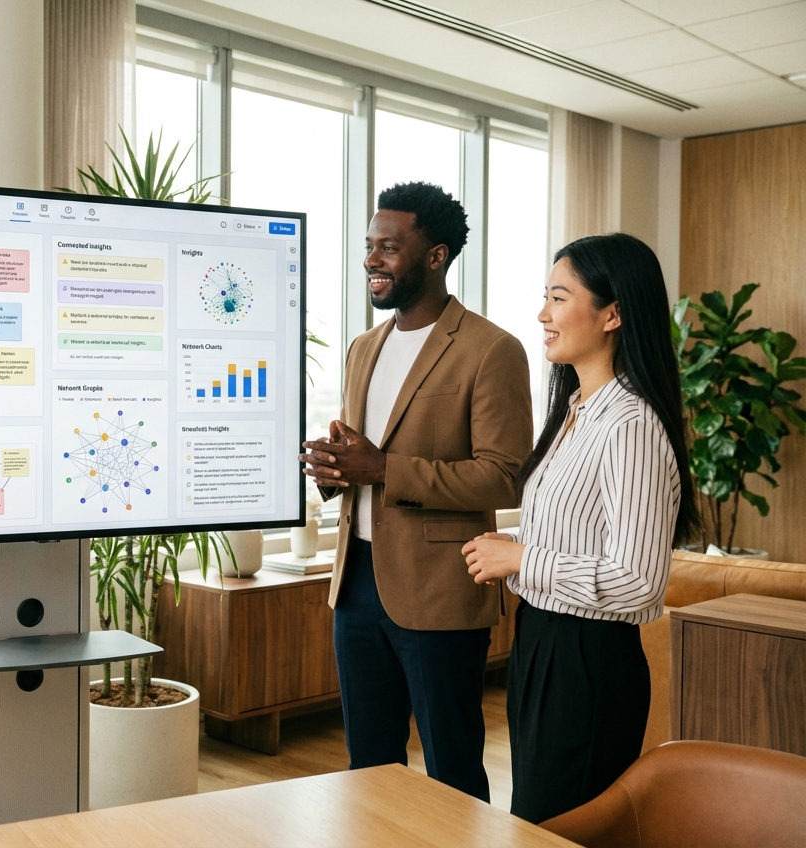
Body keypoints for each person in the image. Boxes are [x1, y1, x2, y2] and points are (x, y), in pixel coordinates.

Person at [299, 182, 533, 800]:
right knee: (368, 765)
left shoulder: (492, 350)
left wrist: (383, 469)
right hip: (355, 585)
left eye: (389, 247)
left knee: (452, 769)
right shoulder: (362, 349)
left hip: (440, 588)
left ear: (435, 255)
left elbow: (503, 474)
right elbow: (364, 463)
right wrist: (335, 473)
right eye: (369, 246)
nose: (373, 259)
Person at [462, 233, 700, 823]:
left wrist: (521, 561)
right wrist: (513, 545)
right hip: (542, 643)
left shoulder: (630, 425)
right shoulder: (576, 412)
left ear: (613, 314)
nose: (543, 314)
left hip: (588, 662)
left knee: (561, 828)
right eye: (545, 297)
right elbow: (579, 536)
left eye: (560, 298)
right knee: (539, 822)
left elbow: (640, 583)